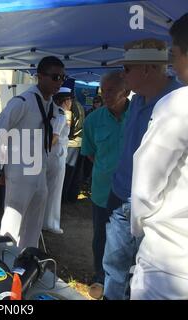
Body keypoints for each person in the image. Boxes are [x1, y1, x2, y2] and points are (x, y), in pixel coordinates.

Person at [103, 38, 183, 300]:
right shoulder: (137, 101)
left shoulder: (176, 103)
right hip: (120, 198)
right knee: (113, 268)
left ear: (147, 69)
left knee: (142, 272)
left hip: (154, 213)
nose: (122, 75)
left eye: (126, 69)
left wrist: (143, 214)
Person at [130, 13, 188, 300]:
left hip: (170, 263)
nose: (172, 63)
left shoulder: (178, 104)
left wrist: (139, 227)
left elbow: (144, 189)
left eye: (174, 54)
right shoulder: (136, 103)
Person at [0, 56, 65, 251]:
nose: (60, 82)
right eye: (55, 77)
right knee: (13, 222)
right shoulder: (22, 102)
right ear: (39, 77)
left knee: (34, 225)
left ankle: (28, 261)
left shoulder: (51, 106)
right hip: (20, 173)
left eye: (63, 77)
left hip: (40, 172)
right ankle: (6, 263)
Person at [81, 71, 130, 299]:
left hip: (132, 193)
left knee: (129, 239)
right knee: (101, 235)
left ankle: (126, 281)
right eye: (103, 90)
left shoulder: (140, 115)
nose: (105, 94)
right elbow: (90, 153)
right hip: (103, 190)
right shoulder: (93, 120)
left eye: (111, 90)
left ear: (126, 91)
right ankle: (100, 277)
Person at [43, 87, 71, 234]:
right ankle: (51, 223)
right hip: (56, 156)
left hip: (53, 155)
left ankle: (45, 221)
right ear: (64, 100)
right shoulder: (60, 115)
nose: (71, 102)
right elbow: (54, 138)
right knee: (54, 190)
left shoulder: (52, 112)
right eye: (70, 99)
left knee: (48, 189)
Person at [62, 94, 85, 203]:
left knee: (67, 172)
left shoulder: (70, 106)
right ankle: (71, 197)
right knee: (75, 173)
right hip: (79, 143)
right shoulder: (79, 105)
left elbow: (68, 128)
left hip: (71, 144)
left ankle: (64, 198)